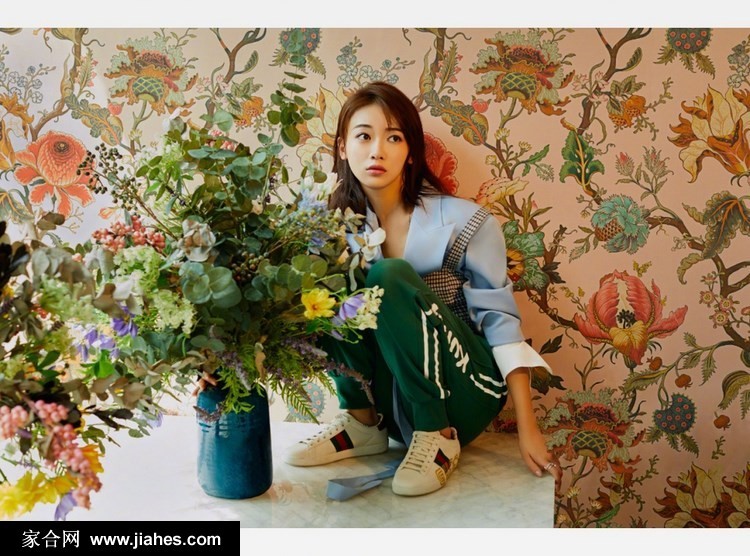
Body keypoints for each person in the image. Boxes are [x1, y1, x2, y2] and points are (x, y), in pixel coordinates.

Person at [284, 81, 561, 496]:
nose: (377, 151)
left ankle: (438, 435)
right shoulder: (330, 232)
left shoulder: (467, 222)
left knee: (389, 275)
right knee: (322, 281)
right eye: (364, 136)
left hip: (467, 393)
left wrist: (529, 428)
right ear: (342, 147)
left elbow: (502, 326)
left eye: (393, 138)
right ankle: (361, 423)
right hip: (392, 406)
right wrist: (214, 366)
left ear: (411, 151)